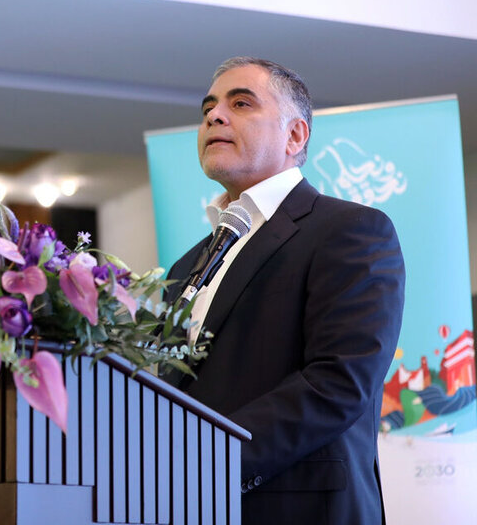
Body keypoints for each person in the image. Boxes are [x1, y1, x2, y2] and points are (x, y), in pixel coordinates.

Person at [163, 57, 405, 524]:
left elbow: (339, 382)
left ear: (295, 135)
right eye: (209, 106)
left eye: (241, 103)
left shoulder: (350, 230)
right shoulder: (184, 264)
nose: (214, 115)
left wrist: (207, 463)